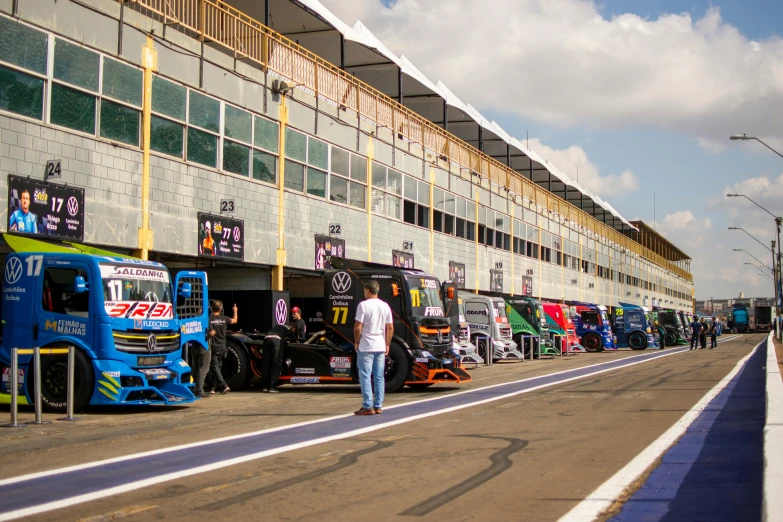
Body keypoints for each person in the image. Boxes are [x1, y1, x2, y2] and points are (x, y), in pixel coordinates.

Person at [353, 280, 394, 415]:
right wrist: (387, 343)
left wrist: (357, 342)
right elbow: (390, 327)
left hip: (366, 345)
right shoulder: (385, 306)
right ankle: (378, 405)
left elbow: (358, 327)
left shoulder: (363, 305)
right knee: (379, 376)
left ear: (368, 290)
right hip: (380, 345)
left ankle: (367, 405)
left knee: (365, 376)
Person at [207, 300, 238, 394]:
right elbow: (235, 320)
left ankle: (224, 386)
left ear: (212, 307)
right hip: (223, 347)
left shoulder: (209, 318)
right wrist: (235, 310)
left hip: (214, 346)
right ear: (221, 309)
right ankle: (213, 387)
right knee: (218, 368)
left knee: (214, 367)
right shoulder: (224, 318)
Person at [261, 323, 295, 392]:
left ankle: (265, 386)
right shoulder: (290, 329)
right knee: (276, 362)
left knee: (266, 362)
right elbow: (294, 340)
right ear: (293, 328)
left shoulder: (277, 326)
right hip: (276, 340)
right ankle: (272, 386)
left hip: (266, 338)